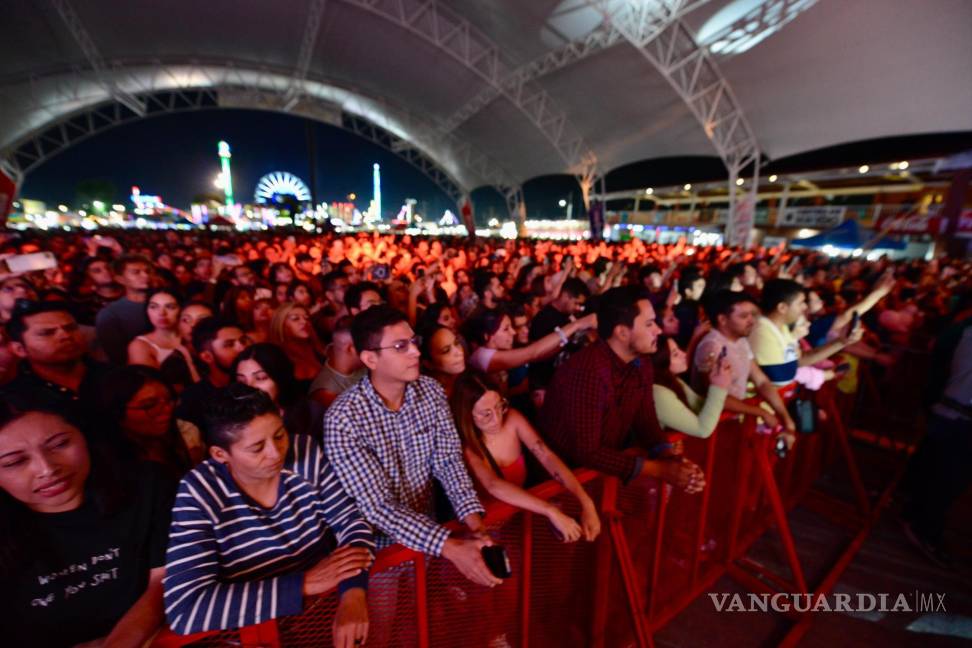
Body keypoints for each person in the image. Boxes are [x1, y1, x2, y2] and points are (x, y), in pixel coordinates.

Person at [163, 384, 375, 643]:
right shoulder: (199, 492)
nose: (276, 453)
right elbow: (186, 609)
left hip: (323, 618)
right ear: (220, 454)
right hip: (258, 636)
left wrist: (353, 592)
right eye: (257, 448)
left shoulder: (304, 453)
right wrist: (305, 583)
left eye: (279, 435)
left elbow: (351, 523)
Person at [324, 305, 502, 588]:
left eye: (413, 342)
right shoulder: (344, 419)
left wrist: (476, 527)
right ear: (370, 358)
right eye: (400, 346)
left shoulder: (430, 391)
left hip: (430, 535)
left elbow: (448, 462)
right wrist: (450, 547)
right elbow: (377, 506)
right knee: (386, 624)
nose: (416, 352)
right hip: (379, 552)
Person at [0, 398, 173, 647]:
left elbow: (164, 580)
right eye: (14, 462)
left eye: (59, 444)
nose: (47, 469)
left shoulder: (147, 486)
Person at [539, 286, 705, 493]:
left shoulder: (641, 362)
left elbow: (645, 417)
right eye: (649, 324)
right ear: (622, 332)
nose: (658, 330)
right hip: (562, 484)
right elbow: (588, 452)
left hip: (601, 476)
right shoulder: (589, 371)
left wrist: (670, 457)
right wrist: (660, 470)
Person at [450, 372, 600, 542]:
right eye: (486, 414)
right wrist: (549, 511)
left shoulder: (512, 419)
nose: (497, 418)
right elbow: (493, 485)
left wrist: (586, 502)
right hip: (482, 533)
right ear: (466, 415)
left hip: (515, 523)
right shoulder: (465, 446)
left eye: (499, 406)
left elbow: (546, 455)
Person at [900, 325, 972, 568]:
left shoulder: (964, 329)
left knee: (936, 473)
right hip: (958, 418)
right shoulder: (966, 331)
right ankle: (922, 529)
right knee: (946, 479)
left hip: (951, 414)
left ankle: (915, 517)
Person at [693, 290, 796, 442]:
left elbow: (761, 382)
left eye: (752, 315)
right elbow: (715, 397)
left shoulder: (741, 341)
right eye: (743, 316)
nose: (751, 321)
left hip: (732, 423)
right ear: (722, 319)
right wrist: (760, 412)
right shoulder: (712, 346)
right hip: (711, 429)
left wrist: (786, 419)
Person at [2, 299, 113, 425]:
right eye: (47, 333)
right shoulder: (14, 399)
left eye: (71, 328)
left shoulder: (115, 377)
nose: (65, 336)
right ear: (20, 349)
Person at [464, 307, 596, 394]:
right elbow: (533, 352)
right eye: (506, 329)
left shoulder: (493, 352)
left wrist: (568, 337)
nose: (513, 332)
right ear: (487, 336)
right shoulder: (483, 356)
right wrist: (576, 325)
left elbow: (539, 355)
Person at [95, 365, 198, 476]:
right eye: (149, 405)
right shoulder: (110, 466)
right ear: (117, 411)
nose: (167, 409)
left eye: (169, 399)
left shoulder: (181, 436)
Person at [174, 317, 251, 437]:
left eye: (243, 341)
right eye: (229, 344)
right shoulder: (193, 401)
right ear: (207, 357)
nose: (242, 348)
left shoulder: (256, 385)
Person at [234, 343, 326, 438]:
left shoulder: (311, 414)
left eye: (260, 378)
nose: (250, 387)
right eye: (242, 381)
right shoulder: (232, 422)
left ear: (279, 378)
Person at [650, 335, 729, 439]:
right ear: (660, 362)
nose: (684, 354)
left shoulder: (674, 381)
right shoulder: (657, 393)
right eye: (675, 354)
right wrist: (719, 387)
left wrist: (713, 378)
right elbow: (702, 430)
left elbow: (700, 406)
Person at [527, 277, 590, 396]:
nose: (577, 308)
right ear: (565, 296)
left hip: (562, 384)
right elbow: (536, 354)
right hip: (544, 385)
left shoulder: (569, 317)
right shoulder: (543, 318)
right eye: (576, 303)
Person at [127, 288, 200, 389]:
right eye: (153, 307)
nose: (161, 313)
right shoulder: (139, 345)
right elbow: (153, 387)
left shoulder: (191, 335)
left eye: (170, 307)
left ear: (182, 309)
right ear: (146, 310)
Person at [96, 255, 153, 364]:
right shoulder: (110, 314)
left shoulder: (166, 303)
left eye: (147, 271)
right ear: (120, 279)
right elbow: (118, 357)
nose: (145, 275)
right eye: (136, 272)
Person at [309, 316, 366, 408]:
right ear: (350, 349)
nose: (374, 351)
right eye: (368, 345)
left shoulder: (363, 366)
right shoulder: (326, 392)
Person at [269, 302, 326, 384]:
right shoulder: (275, 356)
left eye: (307, 318)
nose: (304, 322)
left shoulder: (318, 349)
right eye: (295, 319)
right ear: (281, 324)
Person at [419, 323, 466, 397]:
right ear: (428, 364)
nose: (459, 352)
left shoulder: (469, 379)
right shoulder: (429, 395)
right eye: (446, 351)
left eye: (456, 343)